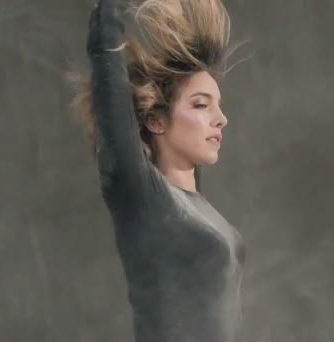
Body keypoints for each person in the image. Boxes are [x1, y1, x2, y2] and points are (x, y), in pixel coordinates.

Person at [68, 0, 246, 341]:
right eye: (201, 104)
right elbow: (106, 61)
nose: (220, 118)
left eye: (218, 105)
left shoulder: (193, 202)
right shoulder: (140, 197)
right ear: (156, 121)